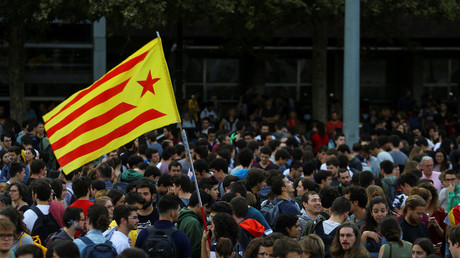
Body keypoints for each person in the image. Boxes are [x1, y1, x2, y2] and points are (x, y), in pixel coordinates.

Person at [177, 190, 214, 258]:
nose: (208, 216)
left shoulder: (183, 216)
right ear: (200, 205)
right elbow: (196, 251)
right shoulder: (193, 223)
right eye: (207, 212)